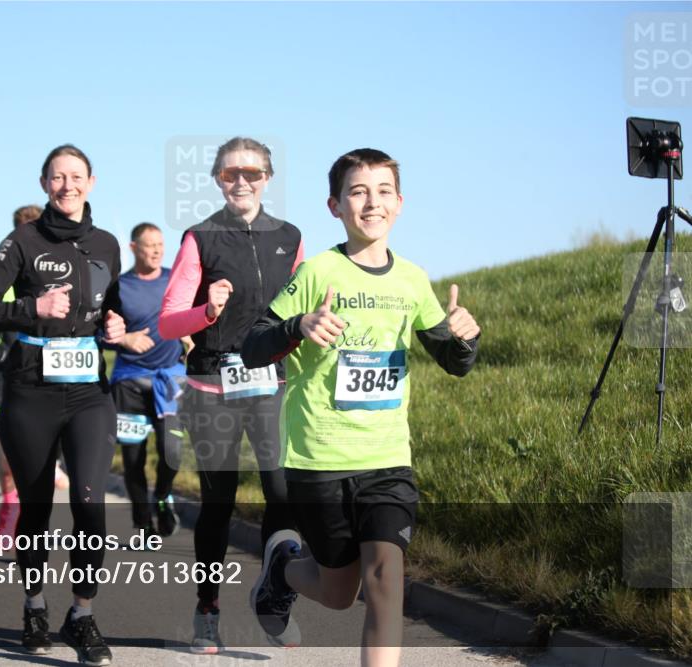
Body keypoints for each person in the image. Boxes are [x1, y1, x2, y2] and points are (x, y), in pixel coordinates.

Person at [242, 148, 480, 665]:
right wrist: (297, 326)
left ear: (400, 203)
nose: (372, 202)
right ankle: (282, 567)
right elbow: (252, 344)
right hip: (320, 462)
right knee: (337, 593)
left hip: (388, 461)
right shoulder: (317, 272)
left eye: (383, 191)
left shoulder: (413, 280)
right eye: (357, 191)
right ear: (335, 206)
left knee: (385, 582)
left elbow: (454, 361)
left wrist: (465, 338)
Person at [0, 144, 125, 665]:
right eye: (57, 178)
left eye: (76, 177)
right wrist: (33, 307)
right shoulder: (22, 241)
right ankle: (34, 605)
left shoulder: (106, 243)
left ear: (92, 182)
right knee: (36, 507)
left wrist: (115, 327)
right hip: (30, 390)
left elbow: (111, 308)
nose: (67, 185)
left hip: (87, 393)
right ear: (44, 184)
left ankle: (82, 614)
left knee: (89, 503)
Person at [159, 137, 303, 653]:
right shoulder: (201, 237)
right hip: (212, 386)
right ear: (217, 179)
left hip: (272, 385)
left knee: (283, 495)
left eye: (252, 172)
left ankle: (276, 599)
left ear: (268, 176)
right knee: (218, 503)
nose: (241, 181)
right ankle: (207, 610)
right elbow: (169, 319)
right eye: (229, 173)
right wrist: (207, 312)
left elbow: (302, 308)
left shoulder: (290, 237)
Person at [0, 204, 69, 541]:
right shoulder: (7, 266)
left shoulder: (64, 265)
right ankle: (10, 505)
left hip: (54, 364)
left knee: (53, 435)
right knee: (9, 449)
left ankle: (50, 470)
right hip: (10, 368)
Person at [109, 222, 187, 538]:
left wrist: (192, 338)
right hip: (129, 382)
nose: (156, 250)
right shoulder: (119, 286)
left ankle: (163, 496)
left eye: (160, 244)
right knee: (133, 459)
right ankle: (143, 524)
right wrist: (124, 338)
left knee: (173, 450)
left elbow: (192, 316)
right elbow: (101, 333)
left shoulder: (174, 280)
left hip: (169, 380)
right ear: (133, 248)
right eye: (149, 245)